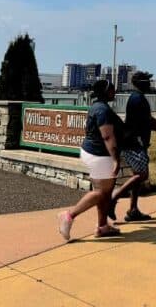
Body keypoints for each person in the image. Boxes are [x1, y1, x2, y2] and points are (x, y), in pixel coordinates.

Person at [57, 80, 122, 241]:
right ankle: (69, 215)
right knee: (100, 193)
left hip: (94, 153)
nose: (115, 90)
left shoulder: (97, 106)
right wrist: (115, 159)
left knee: (105, 193)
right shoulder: (103, 110)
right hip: (100, 155)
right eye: (112, 88)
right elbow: (107, 136)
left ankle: (102, 226)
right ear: (106, 91)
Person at [108, 71, 156, 222]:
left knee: (136, 177)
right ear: (141, 83)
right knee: (142, 175)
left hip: (135, 142)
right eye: (148, 81)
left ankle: (133, 210)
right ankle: (114, 198)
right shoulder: (139, 99)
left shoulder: (136, 98)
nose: (150, 84)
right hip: (135, 143)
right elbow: (149, 121)